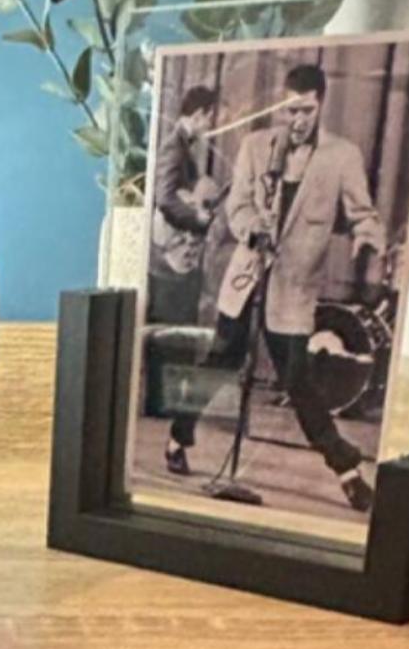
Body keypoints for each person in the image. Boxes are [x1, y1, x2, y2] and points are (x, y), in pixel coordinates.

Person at [164, 64, 386, 513]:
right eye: (289, 111)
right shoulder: (255, 146)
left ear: (321, 104)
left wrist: (367, 238)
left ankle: (347, 472)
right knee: (221, 361)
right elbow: (237, 206)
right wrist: (250, 229)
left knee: (299, 382)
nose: (296, 120)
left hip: (292, 288)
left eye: (305, 111)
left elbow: (364, 215)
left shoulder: (342, 156)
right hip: (248, 279)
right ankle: (178, 437)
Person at [147, 85, 221, 324]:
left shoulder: (182, 144)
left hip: (176, 249)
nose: (210, 125)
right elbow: (165, 199)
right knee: (171, 320)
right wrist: (196, 217)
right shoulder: (173, 147)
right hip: (170, 252)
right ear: (198, 115)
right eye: (210, 118)